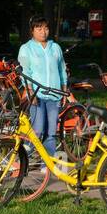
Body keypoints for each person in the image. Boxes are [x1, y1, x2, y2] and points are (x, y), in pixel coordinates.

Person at [18, 16, 68, 161]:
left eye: (45, 28)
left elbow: (62, 70)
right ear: (32, 31)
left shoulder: (55, 47)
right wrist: (30, 91)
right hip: (36, 95)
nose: (43, 32)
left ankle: (47, 164)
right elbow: (24, 72)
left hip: (55, 95)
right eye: (39, 28)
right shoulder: (26, 48)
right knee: (38, 130)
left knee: (51, 132)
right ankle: (23, 160)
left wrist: (64, 90)